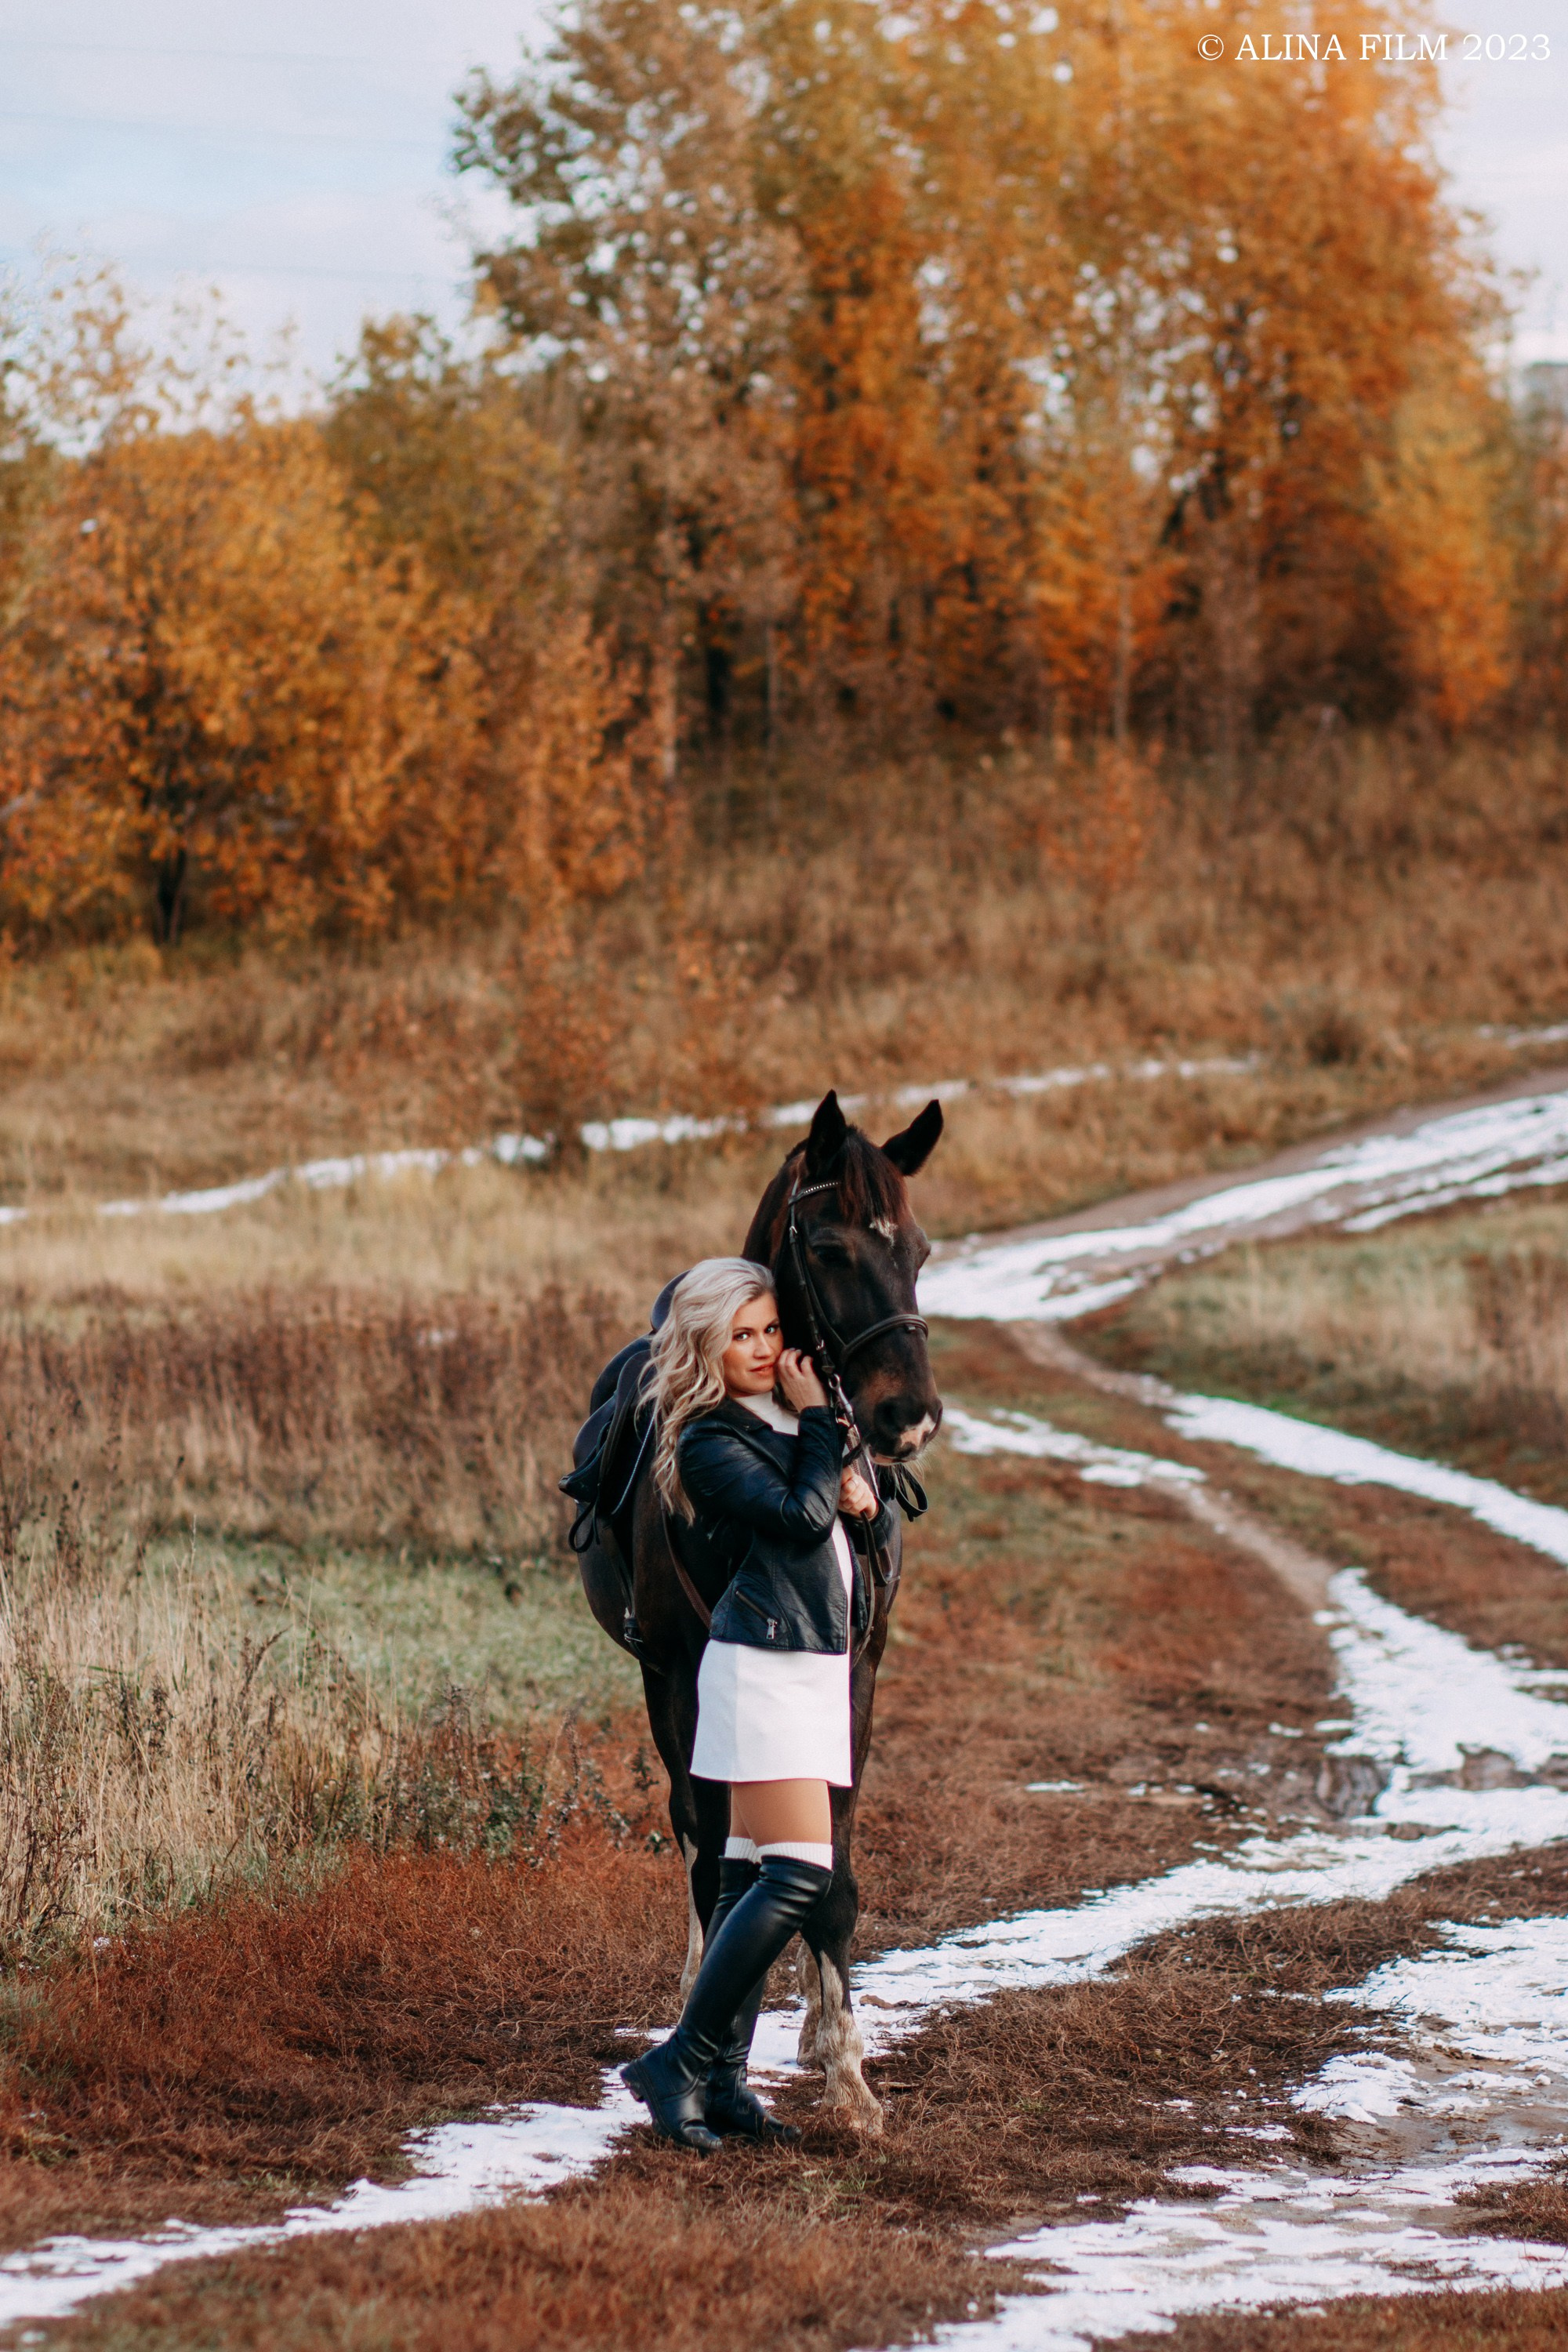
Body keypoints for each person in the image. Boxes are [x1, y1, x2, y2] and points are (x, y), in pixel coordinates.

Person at [620, 1255, 894, 2151]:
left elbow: (839, 1496)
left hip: (809, 1664)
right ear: (705, 1344)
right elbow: (799, 1517)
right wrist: (821, 1436)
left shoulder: (781, 1417)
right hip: (763, 1668)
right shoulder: (706, 1437)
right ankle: (680, 2062)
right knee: (800, 1876)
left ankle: (726, 2083)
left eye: (771, 1330)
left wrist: (862, 1484)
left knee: (743, 1874)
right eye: (740, 1335)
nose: (763, 1348)